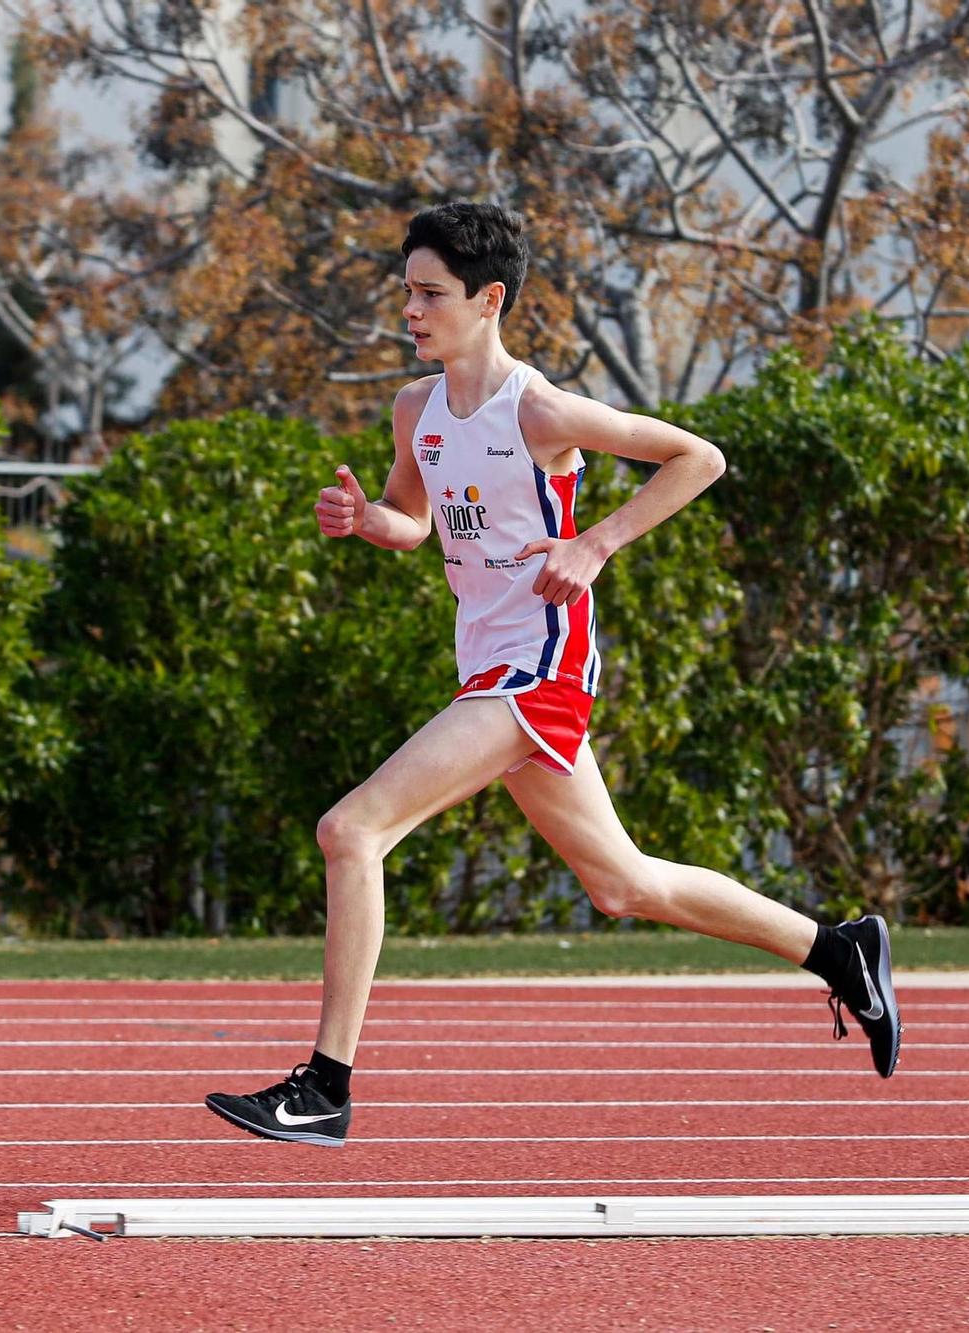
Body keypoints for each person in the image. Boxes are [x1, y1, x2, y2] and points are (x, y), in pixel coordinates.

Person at [204, 202, 899, 1148]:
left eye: (429, 294)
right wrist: (376, 524)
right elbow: (418, 517)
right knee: (622, 883)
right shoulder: (416, 409)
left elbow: (699, 457)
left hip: (540, 666)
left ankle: (326, 1085)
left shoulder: (539, 409)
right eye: (406, 291)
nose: (409, 310)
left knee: (350, 829)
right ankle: (839, 949)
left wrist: (599, 541)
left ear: (489, 300)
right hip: (487, 665)